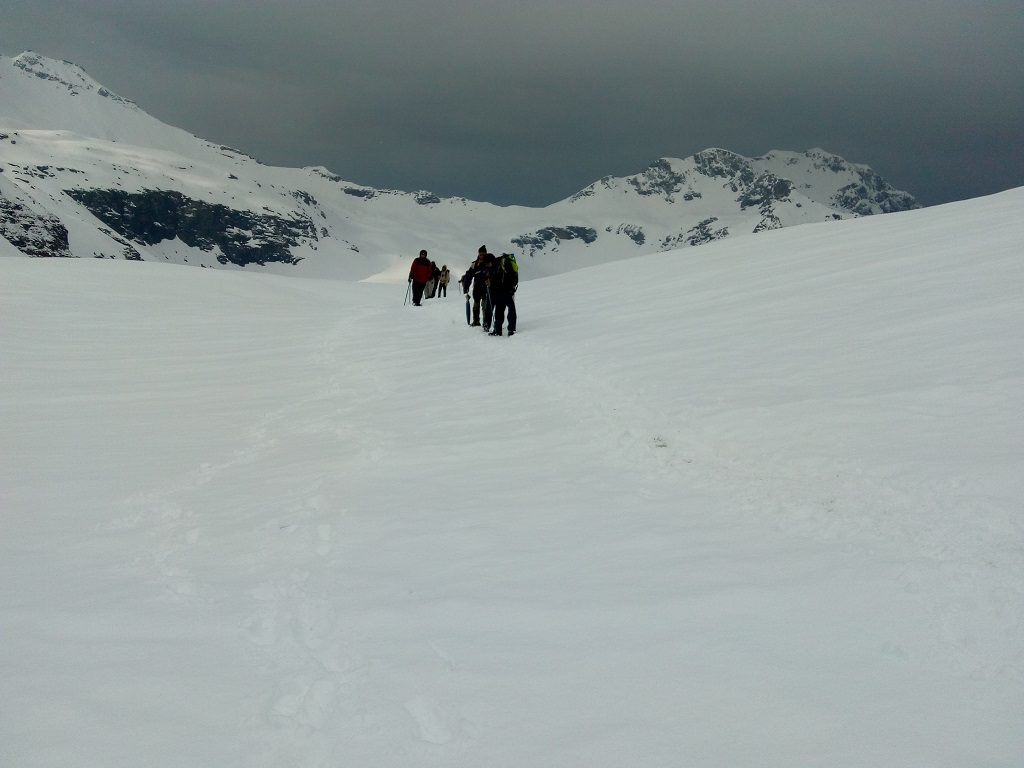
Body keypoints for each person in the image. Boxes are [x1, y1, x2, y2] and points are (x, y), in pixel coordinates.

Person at [489, 252, 519, 336]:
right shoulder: (510, 263)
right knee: (511, 309)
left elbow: (495, 279)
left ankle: (498, 330)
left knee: (499, 310)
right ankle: (511, 329)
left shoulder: (499, 264)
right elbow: (514, 279)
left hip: (500, 291)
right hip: (509, 291)